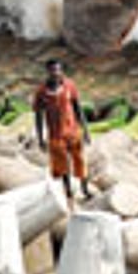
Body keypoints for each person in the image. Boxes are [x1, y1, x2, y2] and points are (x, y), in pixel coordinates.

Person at [33, 59, 92, 200]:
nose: (56, 73)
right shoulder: (41, 92)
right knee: (61, 165)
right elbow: (38, 116)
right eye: (53, 70)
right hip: (55, 134)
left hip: (73, 131)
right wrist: (41, 138)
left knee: (80, 160)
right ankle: (68, 192)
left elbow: (78, 108)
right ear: (48, 72)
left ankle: (85, 189)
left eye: (59, 70)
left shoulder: (69, 85)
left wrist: (86, 130)